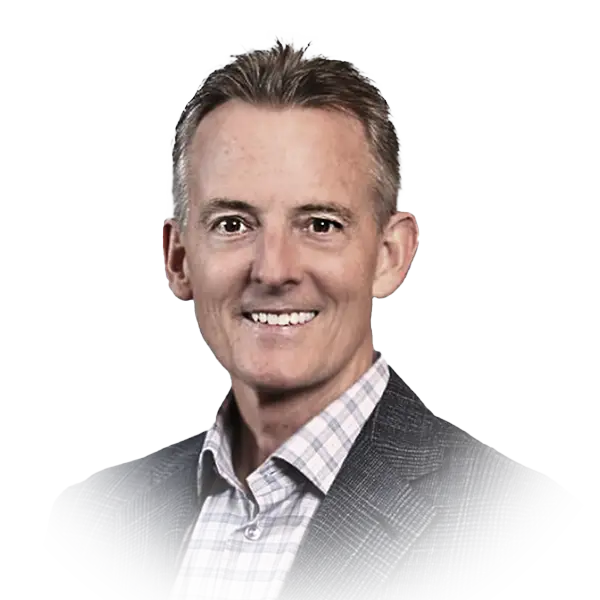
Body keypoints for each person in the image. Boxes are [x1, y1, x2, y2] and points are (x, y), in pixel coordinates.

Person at [42, 37, 582, 599]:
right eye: (233, 224)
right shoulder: (85, 523)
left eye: (321, 224)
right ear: (178, 260)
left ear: (390, 255)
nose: (274, 269)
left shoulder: (530, 535)